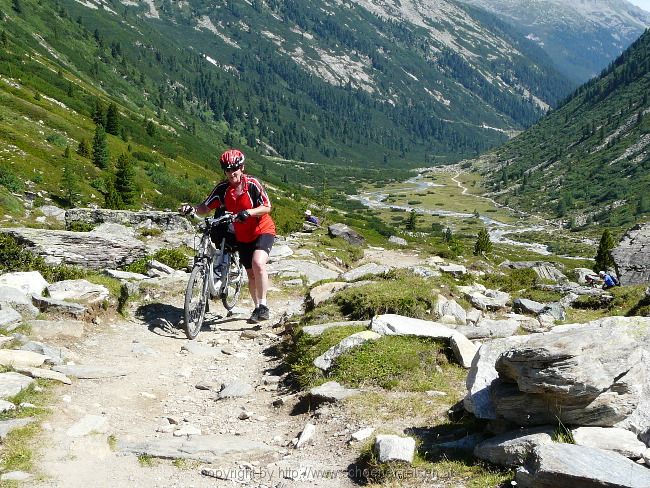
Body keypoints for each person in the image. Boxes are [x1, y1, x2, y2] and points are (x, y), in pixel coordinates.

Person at [180, 149, 275, 323]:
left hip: (262, 229)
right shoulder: (222, 189)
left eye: (235, 169)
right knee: (251, 274)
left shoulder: (252, 184)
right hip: (243, 236)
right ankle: (256, 309)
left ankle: (263, 306)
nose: (232, 173)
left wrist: (249, 212)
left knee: (258, 263)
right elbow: (205, 207)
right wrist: (192, 209)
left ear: (242, 167)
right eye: (228, 170)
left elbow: (267, 207)